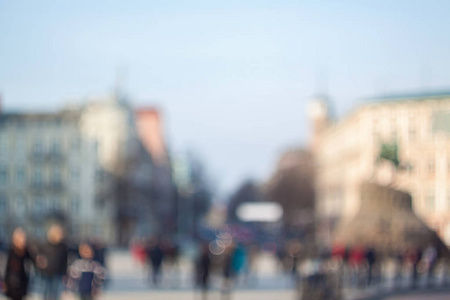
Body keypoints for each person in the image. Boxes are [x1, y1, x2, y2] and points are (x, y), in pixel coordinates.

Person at [36, 224, 69, 300]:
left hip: (57, 274)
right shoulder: (45, 246)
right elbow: (39, 259)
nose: (60, 235)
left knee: (55, 294)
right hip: (45, 274)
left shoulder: (63, 247)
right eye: (58, 233)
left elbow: (65, 262)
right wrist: (41, 265)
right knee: (45, 293)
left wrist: (64, 273)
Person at [3, 228, 33, 300]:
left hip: (22, 281)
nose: (22, 240)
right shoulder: (11, 251)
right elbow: (7, 267)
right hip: (12, 281)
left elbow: (31, 263)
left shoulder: (26, 251)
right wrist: (5, 282)